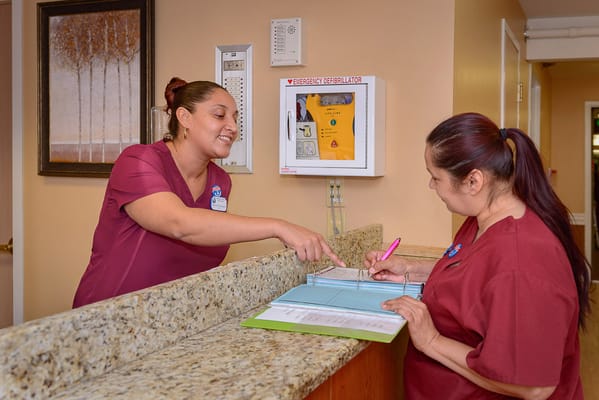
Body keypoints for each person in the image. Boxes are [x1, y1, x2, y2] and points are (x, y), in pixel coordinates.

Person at [365, 112, 591, 399]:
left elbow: (533, 386)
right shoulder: (482, 220)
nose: (432, 186)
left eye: (436, 177)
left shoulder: (524, 260)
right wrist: (410, 269)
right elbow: (476, 274)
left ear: (473, 181)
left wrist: (431, 341)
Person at [73, 78, 345, 308]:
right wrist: (278, 227)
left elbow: (207, 237)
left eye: (235, 118)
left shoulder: (220, 181)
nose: (233, 127)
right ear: (184, 117)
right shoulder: (138, 161)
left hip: (172, 318)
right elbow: (180, 224)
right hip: (108, 316)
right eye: (219, 115)